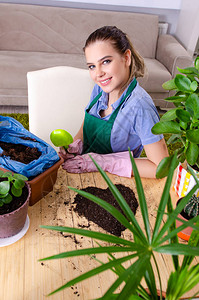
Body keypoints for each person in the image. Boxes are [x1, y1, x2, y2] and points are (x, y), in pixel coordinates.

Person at [59, 26, 168, 178]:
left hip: (115, 182)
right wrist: (75, 145)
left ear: (127, 58)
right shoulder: (100, 90)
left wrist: (103, 162)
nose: (98, 74)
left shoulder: (140, 106)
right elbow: (86, 125)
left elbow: (161, 168)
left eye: (106, 61)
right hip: (83, 172)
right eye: (92, 66)